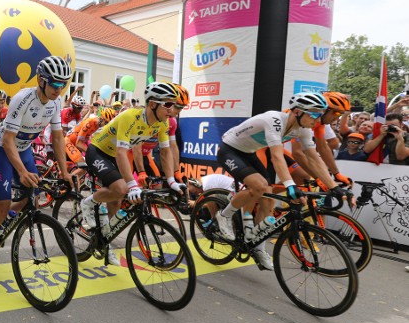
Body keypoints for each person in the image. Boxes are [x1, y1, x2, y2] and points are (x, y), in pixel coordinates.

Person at [215, 93, 343, 270]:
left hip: (250, 152)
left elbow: (314, 158)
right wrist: (290, 185)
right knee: (259, 186)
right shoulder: (274, 120)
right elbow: (276, 156)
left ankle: (258, 248)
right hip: (230, 149)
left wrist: (333, 186)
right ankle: (224, 215)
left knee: (268, 198)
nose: (318, 119)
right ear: (298, 111)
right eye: (314, 114)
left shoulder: (304, 128)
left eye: (320, 114)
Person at [0, 56, 74, 271]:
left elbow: (57, 138)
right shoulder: (23, 98)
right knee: (1, 208)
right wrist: (21, 172)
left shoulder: (55, 102)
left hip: (24, 148)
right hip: (3, 149)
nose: (59, 89)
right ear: (42, 81)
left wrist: (65, 172)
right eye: (55, 83)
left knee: (32, 198)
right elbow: (8, 139)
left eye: (63, 84)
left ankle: (7, 218)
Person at [80, 81, 187, 265]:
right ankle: (87, 203)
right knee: (121, 188)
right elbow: (122, 152)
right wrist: (132, 185)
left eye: (174, 104)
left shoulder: (162, 123)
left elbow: (165, 151)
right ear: (152, 104)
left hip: (114, 155)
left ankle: (105, 239)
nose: (172, 110)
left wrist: (171, 180)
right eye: (168, 104)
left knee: (116, 200)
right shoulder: (131, 116)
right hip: (98, 150)